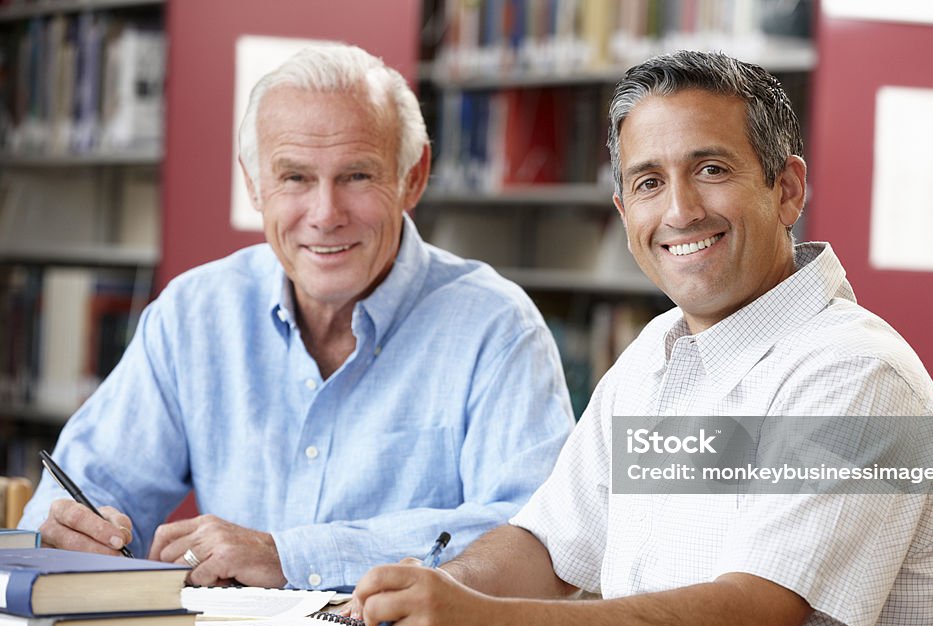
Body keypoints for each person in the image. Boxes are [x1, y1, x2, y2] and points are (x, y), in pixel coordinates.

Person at [352, 51, 933, 626]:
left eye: (710, 169)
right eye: (649, 182)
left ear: (787, 190)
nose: (679, 211)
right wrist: (439, 591)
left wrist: (487, 624)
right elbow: (547, 548)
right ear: (626, 215)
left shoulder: (859, 376)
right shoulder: (656, 355)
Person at [18, 44, 574, 590]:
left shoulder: (496, 327)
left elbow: (535, 531)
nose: (325, 214)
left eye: (357, 175)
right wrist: (69, 534)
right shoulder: (196, 314)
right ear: (254, 182)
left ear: (413, 176)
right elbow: (84, 491)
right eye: (294, 178)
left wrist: (291, 556)